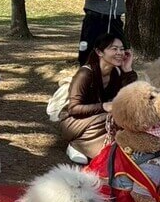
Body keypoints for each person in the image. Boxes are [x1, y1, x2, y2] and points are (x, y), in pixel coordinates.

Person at [58, 33, 137, 164]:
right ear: (99, 52)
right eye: (114, 49)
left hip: (98, 120)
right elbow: (73, 108)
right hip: (73, 121)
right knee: (110, 117)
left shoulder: (116, 72)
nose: (120, 53)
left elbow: (131, 97)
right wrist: (103, 106)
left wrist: (128, 70)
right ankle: (76, 145)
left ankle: (89, 146)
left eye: (122, 49)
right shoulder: (85, 73)